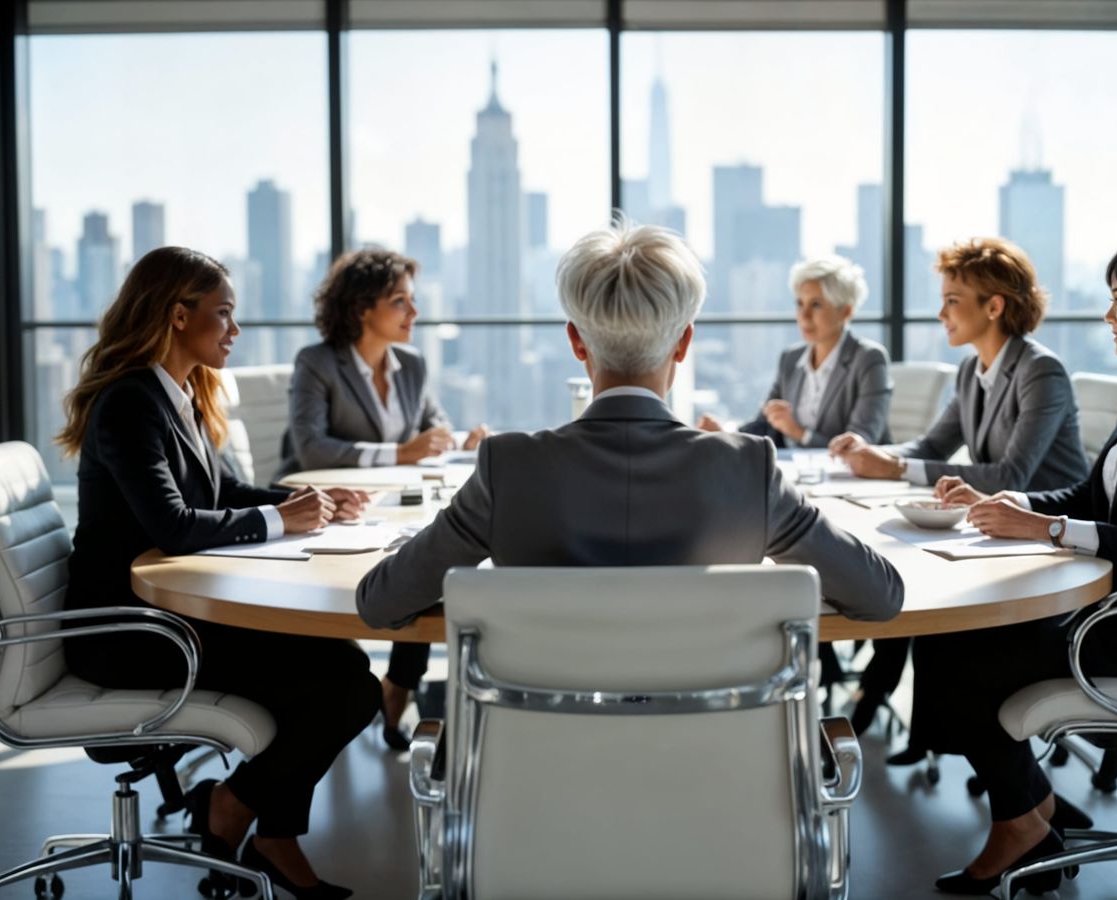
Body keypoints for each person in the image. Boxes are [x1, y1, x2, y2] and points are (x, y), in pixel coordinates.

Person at [356, 222, 904, 637]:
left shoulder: (509, 468)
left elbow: (380, 602)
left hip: (539, 771)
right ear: (684, 344)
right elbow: (879, 595)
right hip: (713, 772)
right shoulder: (746, 469)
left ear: (576, 343)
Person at [917, 233, 1117, 895]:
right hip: (1114, 610)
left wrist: (1047, 528)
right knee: (950, 638)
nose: (1108, 316)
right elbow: (1093, 497)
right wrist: (1013, 501)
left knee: (966, 658)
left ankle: (1024, 818)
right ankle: (1031, 809)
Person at [57, 247, 380, 900]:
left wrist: (302, 503)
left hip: (169, 618)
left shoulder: (175, 391)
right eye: (224, 315)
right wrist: (282, 523)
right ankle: (236, 813)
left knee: (344, 669)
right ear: (179, 316)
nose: (235, 331)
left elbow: (222, 489)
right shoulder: (128, 404)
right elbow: (174, 524)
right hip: (131, 633)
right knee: (346, 688)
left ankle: (266, 830)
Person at [825, 238, 1088, 756]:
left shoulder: (1040, 371)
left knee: (925, 601)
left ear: (994, 306)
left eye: (952, 300)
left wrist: (898, 467)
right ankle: (896, 720)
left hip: (1050, 545)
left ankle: (943, 742)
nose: (940, 312)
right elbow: (930, 446)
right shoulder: (972, 370)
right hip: (996, 534)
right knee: (896, 578)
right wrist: (872, 452)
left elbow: (1013, 471)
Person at [274, 249, 488, 751]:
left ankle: (400, 686)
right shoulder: (318, 363)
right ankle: (349, 699)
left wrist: (460, 441)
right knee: (412, 568)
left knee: (421, 567)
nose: (413, 314)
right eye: (400, 302)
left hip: (388, 507)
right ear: (362, 309)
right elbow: (312, 447)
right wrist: (400, 450)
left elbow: (432, 427)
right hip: (322, 509)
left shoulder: (411, 365)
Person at [697, 255, 893, 447]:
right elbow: (762, 424)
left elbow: (859, 444)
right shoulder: (791, 358)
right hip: (796, 473)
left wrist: (799, 433)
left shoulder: (868, 359)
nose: (804, 315)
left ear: (846, 311)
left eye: (816, 305)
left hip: (853, 477)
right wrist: (726, 435)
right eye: (800, 303)